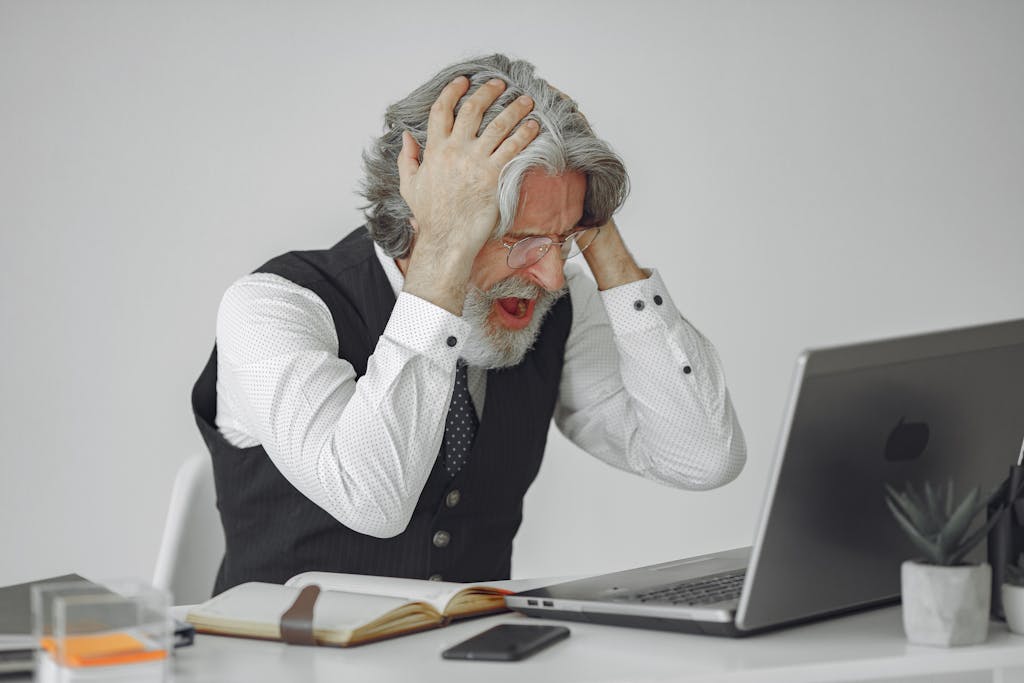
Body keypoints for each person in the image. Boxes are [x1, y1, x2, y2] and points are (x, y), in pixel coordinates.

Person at [192, 54, 746, 596]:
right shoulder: (273, 307)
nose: (552, 276)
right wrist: (444, 253)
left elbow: (700, 458)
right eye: (520, 239)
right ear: (424, 208)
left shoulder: (557, 306)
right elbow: (373, 500)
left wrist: (596, 231)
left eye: (564, 238)